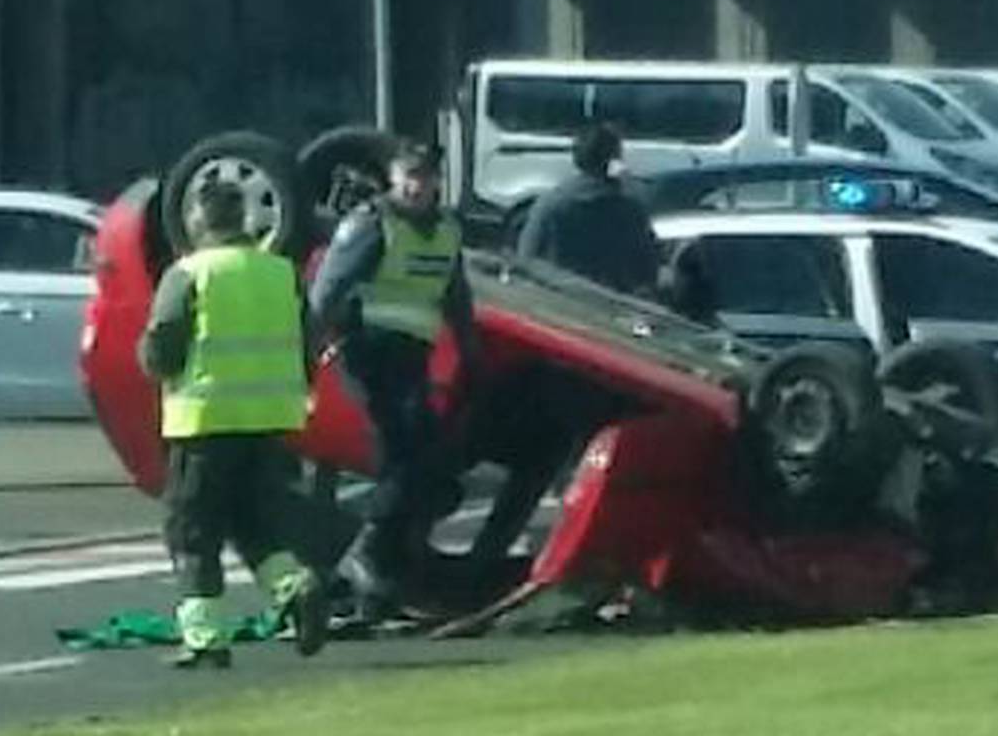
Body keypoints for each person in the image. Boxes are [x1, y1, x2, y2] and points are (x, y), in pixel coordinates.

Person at [138, 180, 328, 669]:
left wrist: (152, 364)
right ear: (243, 218)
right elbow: (310, 343)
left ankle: (205, 640)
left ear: (198, 220)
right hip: (269, 422)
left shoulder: (190, 274)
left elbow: (163, 347)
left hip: (203, 423)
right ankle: (296, 586)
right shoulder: (281, 274)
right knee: (253, 524)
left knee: (192, 532)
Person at [309, 140, 481, 621]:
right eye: (408, 176)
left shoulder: (446, 229)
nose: (416, 185)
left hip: (413, 355)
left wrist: (471, 352)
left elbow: (455, 293)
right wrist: (307, 352)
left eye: (424, 177)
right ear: (392, 178)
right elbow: (327, 291)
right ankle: (364, 557)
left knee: (419, 459)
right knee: (405, 453)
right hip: (368, 349)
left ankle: (377, 564)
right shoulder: (370, 223)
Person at [516, 121, 659, 297]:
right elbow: (648, 274)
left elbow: (526, 262)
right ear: (615, 158)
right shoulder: (632, 211)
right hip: (613, 313)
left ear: (576, 157)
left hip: (557, 308)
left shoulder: (550, 204)